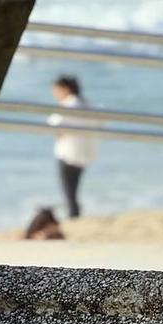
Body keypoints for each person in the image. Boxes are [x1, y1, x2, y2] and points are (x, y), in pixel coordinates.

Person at [47, 74, 95, 220]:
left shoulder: (68, 105)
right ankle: (74, 215)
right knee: (74, 189)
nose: (54, 94)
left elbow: (55, 126)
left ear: (65, 89)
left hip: (68, 153)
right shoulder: (88, 105)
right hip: (85, 153)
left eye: (56, 90)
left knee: (69, 191)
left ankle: (73, 217)